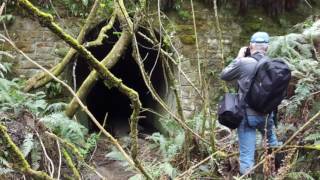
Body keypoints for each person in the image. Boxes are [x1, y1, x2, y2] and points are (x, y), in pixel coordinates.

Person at [220, 32, 280, 175]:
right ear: (267, 47)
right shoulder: (273, 64)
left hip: (247, 116)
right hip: (266, 115)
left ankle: (248, 175)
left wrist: (240, 56)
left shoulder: (243, 62)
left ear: (250, 46)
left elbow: (225, 75)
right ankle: (277, 171)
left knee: (247, 158)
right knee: (273, 143)